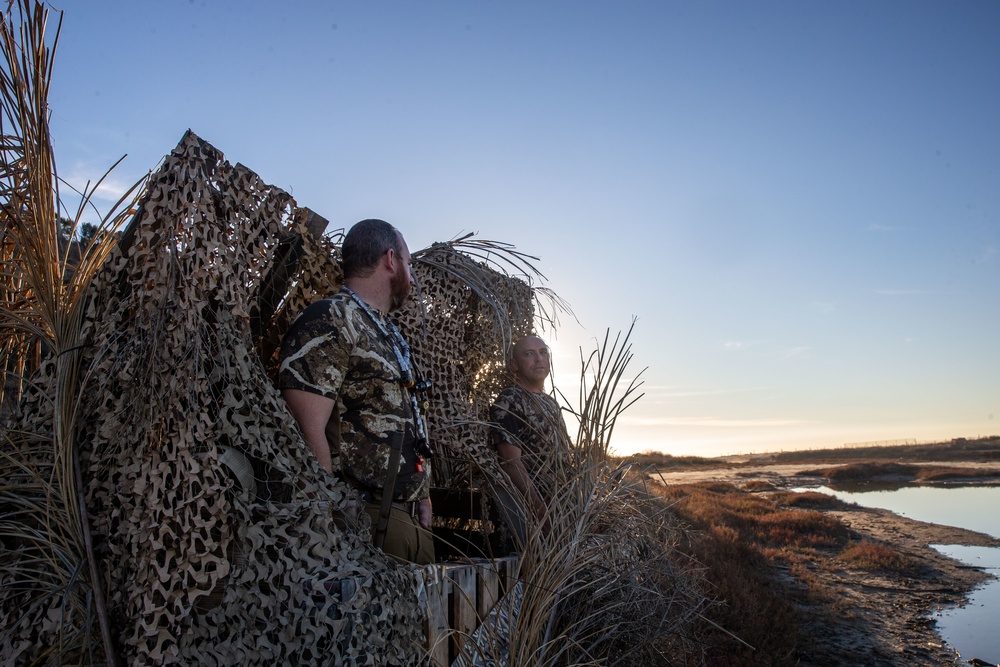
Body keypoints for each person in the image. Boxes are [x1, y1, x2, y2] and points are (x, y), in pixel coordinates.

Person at [277, 219, 435, 565]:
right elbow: (306, 430)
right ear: (390, 260)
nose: (412, 275)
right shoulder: (330, 319)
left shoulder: (386, 331)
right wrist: (330, 520)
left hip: (408, 521)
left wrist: (421, 494)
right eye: (408, 263)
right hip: (364, 521)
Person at [490, 335, 571, 531]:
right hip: (529, 518)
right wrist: (542, 513)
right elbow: (511, 464)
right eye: (529, 354)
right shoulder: (510, 401)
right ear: (514, 365)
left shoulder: (550, 403)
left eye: (543, 353)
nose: (539, 359)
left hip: (560, 508)